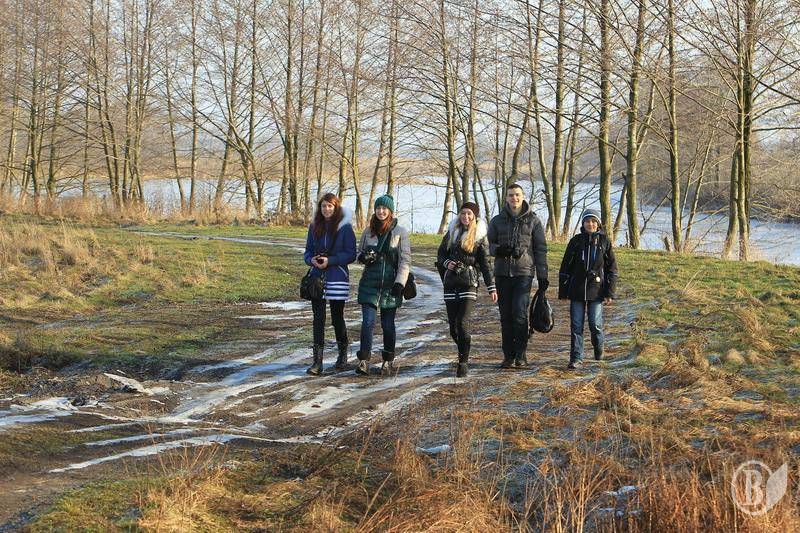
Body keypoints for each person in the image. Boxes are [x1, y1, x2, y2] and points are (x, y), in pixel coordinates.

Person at [487, 184, 549, 368]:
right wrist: (500, 250)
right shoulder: (497, 221)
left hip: (524, 273)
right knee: (505, 316)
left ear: (523, 196)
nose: (514, 198)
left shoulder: (533, 221)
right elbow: (487, 246)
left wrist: (543, 276)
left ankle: (521, 355)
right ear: (506, 198)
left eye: (517, 195)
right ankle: (508, 355)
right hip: (502, 273)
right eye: (511, 195)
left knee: (520, 314)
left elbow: (540, 249)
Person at [437, 202, 497, 377]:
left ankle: (463, 362)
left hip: (469, 284)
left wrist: (491, 288)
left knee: (462, 323)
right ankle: (464, 349)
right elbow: (441, 254)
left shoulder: (479, 237)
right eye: (463, 213)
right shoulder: (452, 232)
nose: (466, 217)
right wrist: (447, 263)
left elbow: (485, 265)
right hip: (451, 283)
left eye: (469, 214)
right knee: (453, 328)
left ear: (475, 216)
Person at [355, 195, 411, 376]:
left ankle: (388, 361)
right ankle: (364, 361)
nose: (381, 211)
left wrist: (400, 283)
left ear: (390, 211)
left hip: (390, 285)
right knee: (368, 322)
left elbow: (405, 260)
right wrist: (363, 257)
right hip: (369, 284)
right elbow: (358, 253)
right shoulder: (368, 231)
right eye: (378, 208)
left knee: (387, 325)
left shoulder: (400, 232)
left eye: (384, 208)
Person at [303, 193, 357, 375]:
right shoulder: (314, 226)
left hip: (337, 276)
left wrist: (331, 260)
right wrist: (311, 260)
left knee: (336, 317)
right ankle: (317, 362)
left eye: (330, 206)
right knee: (318, 319)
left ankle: (342, 355)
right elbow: (307, 251)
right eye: (323, 206)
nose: (326, 209)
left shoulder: (345, 227)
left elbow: (351, 254)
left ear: (336, 207)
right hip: (317, 276)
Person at [558, 209, 618, 369]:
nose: (590, 224)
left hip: (596, 290)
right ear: (583, 223)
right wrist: (563, 291)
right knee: (576, 325)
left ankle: (599, 348)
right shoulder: (575, 241)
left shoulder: (605, 242)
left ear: (597, 224)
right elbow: (565, 267)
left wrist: (610, 292)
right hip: (576, 289)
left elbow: (612, 269)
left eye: (593, 221)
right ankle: (576, 358)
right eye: (587, 221)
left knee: (595, 324)